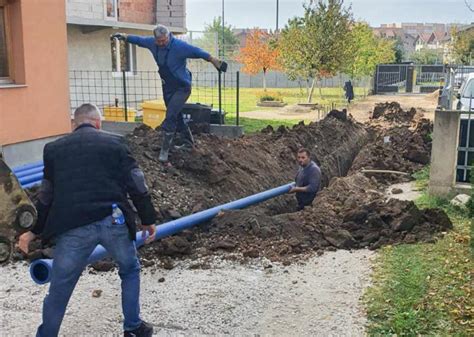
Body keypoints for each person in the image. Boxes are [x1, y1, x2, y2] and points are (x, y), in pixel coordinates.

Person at [17, 104, 158, 337]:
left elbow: (46, 196)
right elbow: (136, 182)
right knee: (129, 268)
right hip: (113, 221)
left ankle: (46, 334)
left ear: (74, 123)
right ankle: (132, 328)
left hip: (72, 228)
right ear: (98, 123)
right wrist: (148, 218)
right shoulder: (116, 144)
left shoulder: (53, 149)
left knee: (60, 285)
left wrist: (34, 230)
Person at [112, 25, 227, 165]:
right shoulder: (152, 43)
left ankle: (164, 150)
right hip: (167, 87)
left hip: (182, 87)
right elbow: (139, 40)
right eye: (158, 41)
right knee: (176, 115)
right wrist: (125, 36)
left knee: (171, 115)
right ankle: (188, 143)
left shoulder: (179, 46)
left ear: (168, 36)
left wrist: (214, 60)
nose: (161, 43)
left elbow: (197, 52)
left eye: (163, 40)